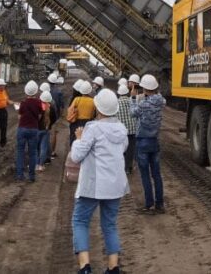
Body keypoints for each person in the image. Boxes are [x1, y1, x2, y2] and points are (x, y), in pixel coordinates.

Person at [70, 88, 128, 274]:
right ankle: (113, 267)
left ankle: (85, 267)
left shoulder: (93, 128)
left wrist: (78, 139)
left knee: (80, 221)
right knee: (109, 225)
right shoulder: (121, 129)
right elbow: (123, 149)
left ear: (98, 108)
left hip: (93, 185)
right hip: (115, 185)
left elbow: (77, 156)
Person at [131, 73, 166, 213]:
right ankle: (160, 204)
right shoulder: (160, 101)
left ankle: (149, 204)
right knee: (156, 175)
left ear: (144, 89)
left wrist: (133, 97)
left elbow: (133, 113)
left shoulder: (143, 104)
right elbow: (160, 98)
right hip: (155, 141)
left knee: (145, 175)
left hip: (142, 141)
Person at [16, 80, 44, 182]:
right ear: (36, 91)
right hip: (33, 129)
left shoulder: (23, 103)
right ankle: (31, 176)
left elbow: (19, 117)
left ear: (26, 92)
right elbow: (40, 116)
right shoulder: (39, 103)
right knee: (32, 153)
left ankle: (20, 175)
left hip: (22, 129)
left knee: (20, 152)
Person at [115, 83, 138, 176]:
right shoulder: (131, 101)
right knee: (130, 150)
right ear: (127, 92)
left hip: (122, 131)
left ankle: (122, 167)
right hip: (132, 130)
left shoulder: (116, 103)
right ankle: (128, 168)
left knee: (122, 150)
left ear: (119, 93)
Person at [68, 79, 96, 147]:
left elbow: (70, 110)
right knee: (86, 142)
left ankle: (73, 154)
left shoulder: (77, 99)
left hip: (76, 123)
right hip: (88, 123)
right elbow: (95, 114)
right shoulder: (93, 101)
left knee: (74, 140)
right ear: (89, 91)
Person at [37, 90, 57, 172]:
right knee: (43, 147)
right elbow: (54, 119)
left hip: (37, 129)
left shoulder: (38, 107)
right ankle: (41, 165)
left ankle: (36, 163)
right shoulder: (51, 108)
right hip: (46, 129)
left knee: (36, 147)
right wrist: (49, 125)